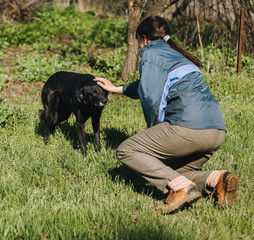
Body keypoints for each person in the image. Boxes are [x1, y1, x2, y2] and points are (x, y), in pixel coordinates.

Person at [94, 16, 239, 214]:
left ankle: (182, 189)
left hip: (188, 129)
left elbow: (153, 98)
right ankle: (218, 179)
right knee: (175, 172)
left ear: (144, 39)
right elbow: (150, 85)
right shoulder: (174, 54)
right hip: (215, 131)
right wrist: (117, 88)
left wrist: (155, 132)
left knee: (126, 150)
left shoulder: (150, 54)